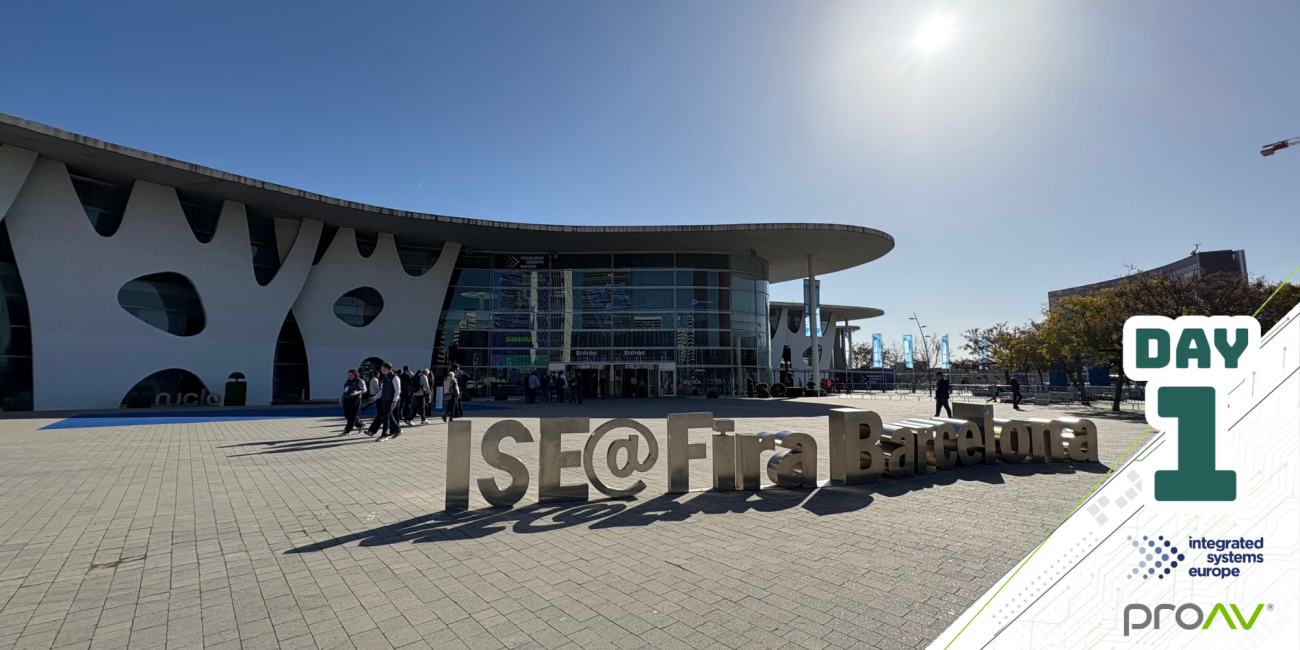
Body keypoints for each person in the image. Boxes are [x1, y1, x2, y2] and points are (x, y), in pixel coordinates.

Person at [368, 362, 402, 441]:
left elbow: (398, 391)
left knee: (386, 416)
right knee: (388, 415)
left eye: (382, 368)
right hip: (385, 399)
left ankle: (384, 434)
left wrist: (394, 401)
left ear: (386, 369)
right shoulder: (385, 378)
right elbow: (382, 390)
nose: (380, 369)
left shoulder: (394, 377)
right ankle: (397, 430)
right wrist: (375, 397)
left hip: (391, 400)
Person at [340, 369, 366, 435]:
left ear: (355, 375)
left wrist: (358, 392)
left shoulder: (359, 381)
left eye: (351, 375)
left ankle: (348, 430)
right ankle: (360, 424)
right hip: (346, 399)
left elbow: (364, 389)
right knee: (347, 415)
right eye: (349, 375)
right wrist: (341, 398)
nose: (350, 376)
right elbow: (344, 391)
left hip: (355, 399)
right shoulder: (347, 382)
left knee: (352, 415)